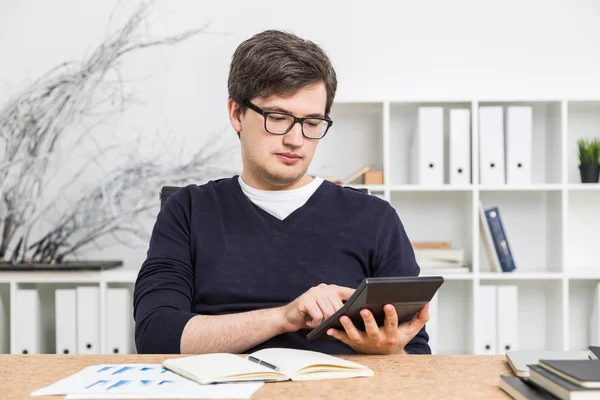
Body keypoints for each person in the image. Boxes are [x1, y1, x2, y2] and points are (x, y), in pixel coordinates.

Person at [133, 29, 431, 356]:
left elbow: (415, 353)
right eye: (278, 118)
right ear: (236, 114)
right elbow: (156, 335)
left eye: (312, 122)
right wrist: (283, 317)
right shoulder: (188, 210)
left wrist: (388, 352)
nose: (295, 140)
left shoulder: (375, 218)